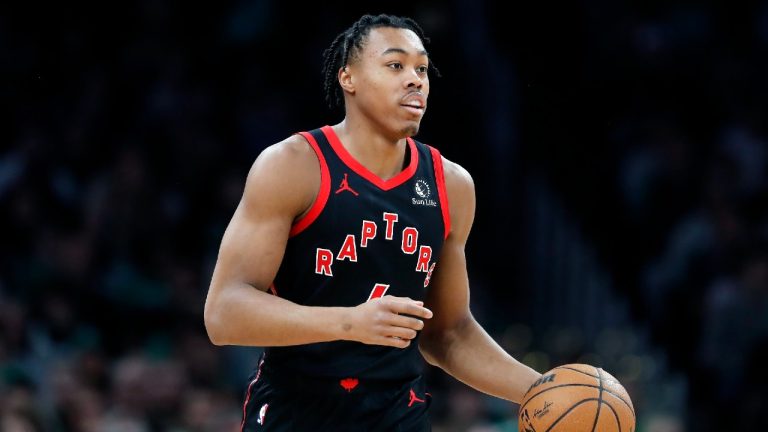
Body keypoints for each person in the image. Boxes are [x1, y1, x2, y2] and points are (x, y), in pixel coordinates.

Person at [204, 13, 541, 431]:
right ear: (349, 78)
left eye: (422, 69)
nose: (415, 80)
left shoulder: (451, 185)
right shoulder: (293, 165)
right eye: (395, 65)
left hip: (398, 413)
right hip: (298, 411)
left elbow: (448, 332)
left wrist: (542, 389)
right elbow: (224, 312)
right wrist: (350, 321)